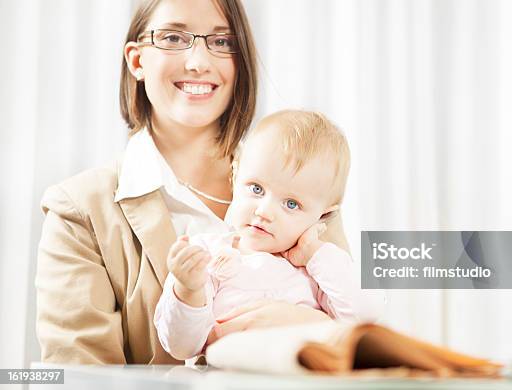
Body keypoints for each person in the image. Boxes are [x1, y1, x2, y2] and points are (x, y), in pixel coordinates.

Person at [36, 0, 351, 364]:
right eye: (172, 37)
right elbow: (78, 379)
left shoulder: (305, 188)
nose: (199, 62)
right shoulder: (79, 210)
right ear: (137, 61)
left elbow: (358, 332)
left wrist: (313, 327)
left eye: (221, 42)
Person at [154, 110, 385, 360]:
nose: (264, 212)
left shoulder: (317, 269)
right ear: (235, 176)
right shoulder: (206, 253)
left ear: (322, 216)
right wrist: (188, 289)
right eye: (256, 188)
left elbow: (365, 316)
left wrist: (315, 253)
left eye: (291, 204)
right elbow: (181, 346)